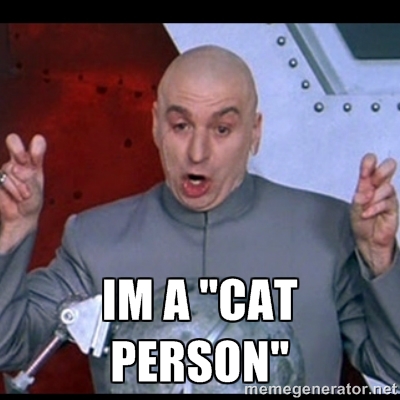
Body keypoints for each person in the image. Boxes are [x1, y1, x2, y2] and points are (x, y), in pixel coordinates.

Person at [0, 44, 399, 393]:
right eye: (181, 126)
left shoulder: (327, 229)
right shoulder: (94, 239)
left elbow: (392, 366)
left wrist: (381, 260)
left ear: (255, 132)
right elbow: (9, 347)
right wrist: (12, 235)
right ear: (155, 125)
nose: (197, 152)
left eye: (222, 129)